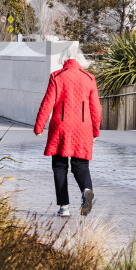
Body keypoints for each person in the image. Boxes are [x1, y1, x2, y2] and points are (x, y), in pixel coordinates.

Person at [34, 49, 102, 217]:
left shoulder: (57, 77)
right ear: (80, 61)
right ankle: (86, 190)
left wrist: (39, 127)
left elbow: (47, 103)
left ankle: (64, 207)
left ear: (64, 60)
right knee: (81, 165)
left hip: (61, 126)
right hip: (83, 127)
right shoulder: (89, 78)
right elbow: (96, 108)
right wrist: (95, 130)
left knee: (59, 165)